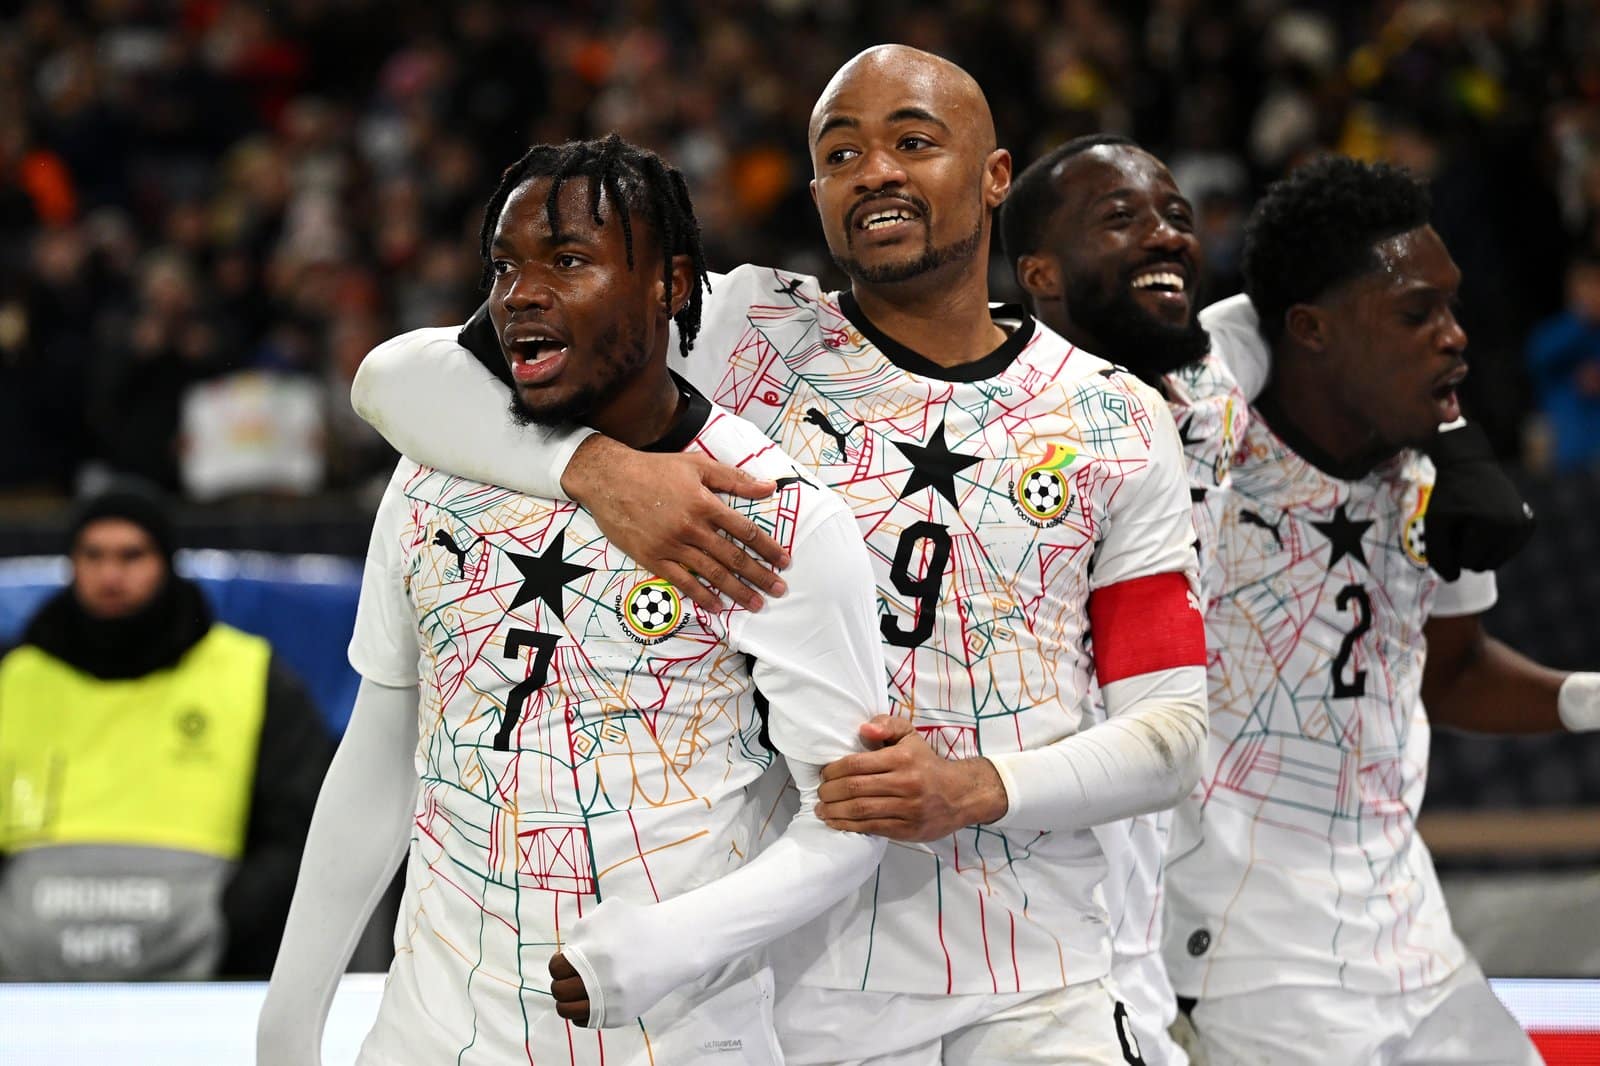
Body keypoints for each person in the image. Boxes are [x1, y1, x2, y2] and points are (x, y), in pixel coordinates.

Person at [344, 46, 1208, 1065]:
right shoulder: (737, 326)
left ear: (993, 177)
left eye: (913, 142)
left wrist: (976, 787)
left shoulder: (1113, 418)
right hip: (795, 984)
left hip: (1036, 981)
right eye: (840, 154)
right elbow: (393, 379)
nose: (874, 171)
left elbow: (1171, 731)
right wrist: (593, 469)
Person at [256, 135, 891, 1066]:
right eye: (504, 266)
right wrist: (287, 1024)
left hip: (675, 1041)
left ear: (671, 285)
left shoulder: (774, 515)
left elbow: (850, 822)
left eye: (568, 261)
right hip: (429, 1038)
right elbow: (383, 749)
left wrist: (674, 942)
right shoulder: (434, 472)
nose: (521, 293)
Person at [1156, 156, 1600, 1065]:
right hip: (1248, 956)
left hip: (1411, 936)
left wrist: (1589, 698)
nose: (1454, 336)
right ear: (1308, 329)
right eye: (1414, 313)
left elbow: (1456, 671)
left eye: (1452, 306)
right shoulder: (1194, 453)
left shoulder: (1429, 470)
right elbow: (1203, 348)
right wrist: (1245, 328)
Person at [998, 133, 1242, 1066]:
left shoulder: (1215, 382)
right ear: (1040, 273)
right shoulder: (980, 412)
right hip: (1021, 849)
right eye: (1121, 218)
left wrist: (1459, 441)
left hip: (1158, 834)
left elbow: (1350, 303)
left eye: (1177, 216)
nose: (1167, 235)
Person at [0, 481, 331, 980]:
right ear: (72, 563)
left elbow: (302, 822)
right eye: (93, 555)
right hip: (21, 987)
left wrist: (226, 919)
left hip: (210, 980)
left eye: (131, 555)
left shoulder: (250, 675)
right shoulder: (15, 678)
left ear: (166, 562)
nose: (110, 574)